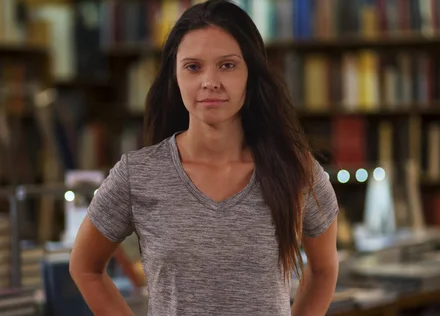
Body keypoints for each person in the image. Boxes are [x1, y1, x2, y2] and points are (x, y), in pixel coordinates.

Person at [69, 0, 340, 315]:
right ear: (175, 75)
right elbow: (85, 267)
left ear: (251, 73)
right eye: (193, 66)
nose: (210, 81)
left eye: (227, 65)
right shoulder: (138, 174)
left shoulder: (295, 169)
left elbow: (323, 271)